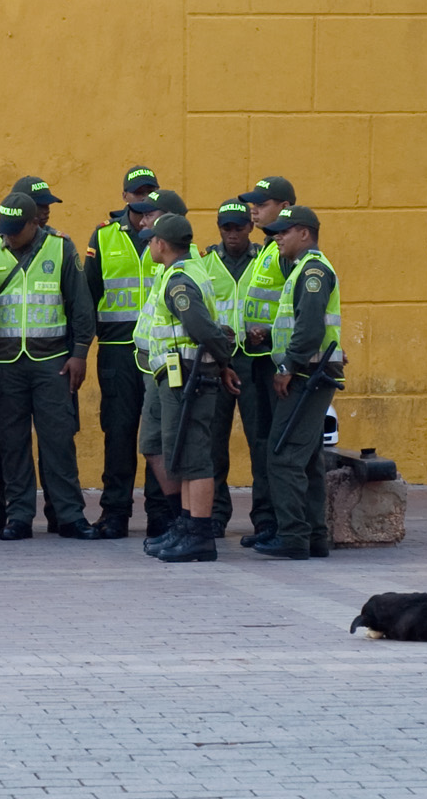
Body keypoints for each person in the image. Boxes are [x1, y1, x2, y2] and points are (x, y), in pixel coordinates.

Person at [0, 191, 99, 541]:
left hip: (52, 364)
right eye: (6, 229)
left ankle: (69, 516)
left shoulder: (61, 249)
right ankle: (19, 516)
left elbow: (80, 307)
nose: (10, 235)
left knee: (58, 442)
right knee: (12, 445)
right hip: (4, 365)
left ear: (36, 223)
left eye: (17, 229)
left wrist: (79, 353)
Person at [130, 214, 239, 563]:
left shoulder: (180, 281)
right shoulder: (180, 273)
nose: (149, 245)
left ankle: (200, 535)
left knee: (194, 458)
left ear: (162, 244)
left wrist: (223, 361)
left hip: (189, 376)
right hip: (178, 375)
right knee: (182, 454)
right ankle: (189, 526)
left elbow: (203, 328)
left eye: (151, 240)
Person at [253, 206, 345, 561]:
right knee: (306, 459)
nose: (277, 237)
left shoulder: (313, 272)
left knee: (283, 455)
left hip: (307, 376)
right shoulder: (302, 270)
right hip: (311, 373)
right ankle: (314, 536)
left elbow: (309, 329)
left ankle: (293, 536)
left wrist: (287, 366)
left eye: (284, 232)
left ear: (304, 233)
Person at [84, 167, 167, 539]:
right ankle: (115, 512)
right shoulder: (103, 237)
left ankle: (160, 515)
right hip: (117, 351)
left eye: (150, 192)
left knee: (157, 436)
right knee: (118, 434)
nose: (144, 199)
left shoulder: (171, 238)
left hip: (158, 352)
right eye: (138, 193)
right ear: (125, 196)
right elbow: (87, 297)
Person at [234, 175, 296, 548]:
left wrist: (270, 335)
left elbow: (294, 310)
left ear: (285, 207)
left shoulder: (287, 254)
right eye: (253, 203)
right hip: (256, 360)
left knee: (276, 446)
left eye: (262, 203)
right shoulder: (267, 250)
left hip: (277, 363)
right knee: (261, 444)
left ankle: (281, 523)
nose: (253, 209)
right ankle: (266, 521)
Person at [198, 200, 261, 539]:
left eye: (239, 227)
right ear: (219, 228)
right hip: (216, 361)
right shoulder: (205, 262)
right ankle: (216, 515)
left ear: (250, 227)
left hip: (254, 361)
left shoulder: (266, 261)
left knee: (259, 442)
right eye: (227, 228)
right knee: (212, 444)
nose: (233, 234)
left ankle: (265, 518)